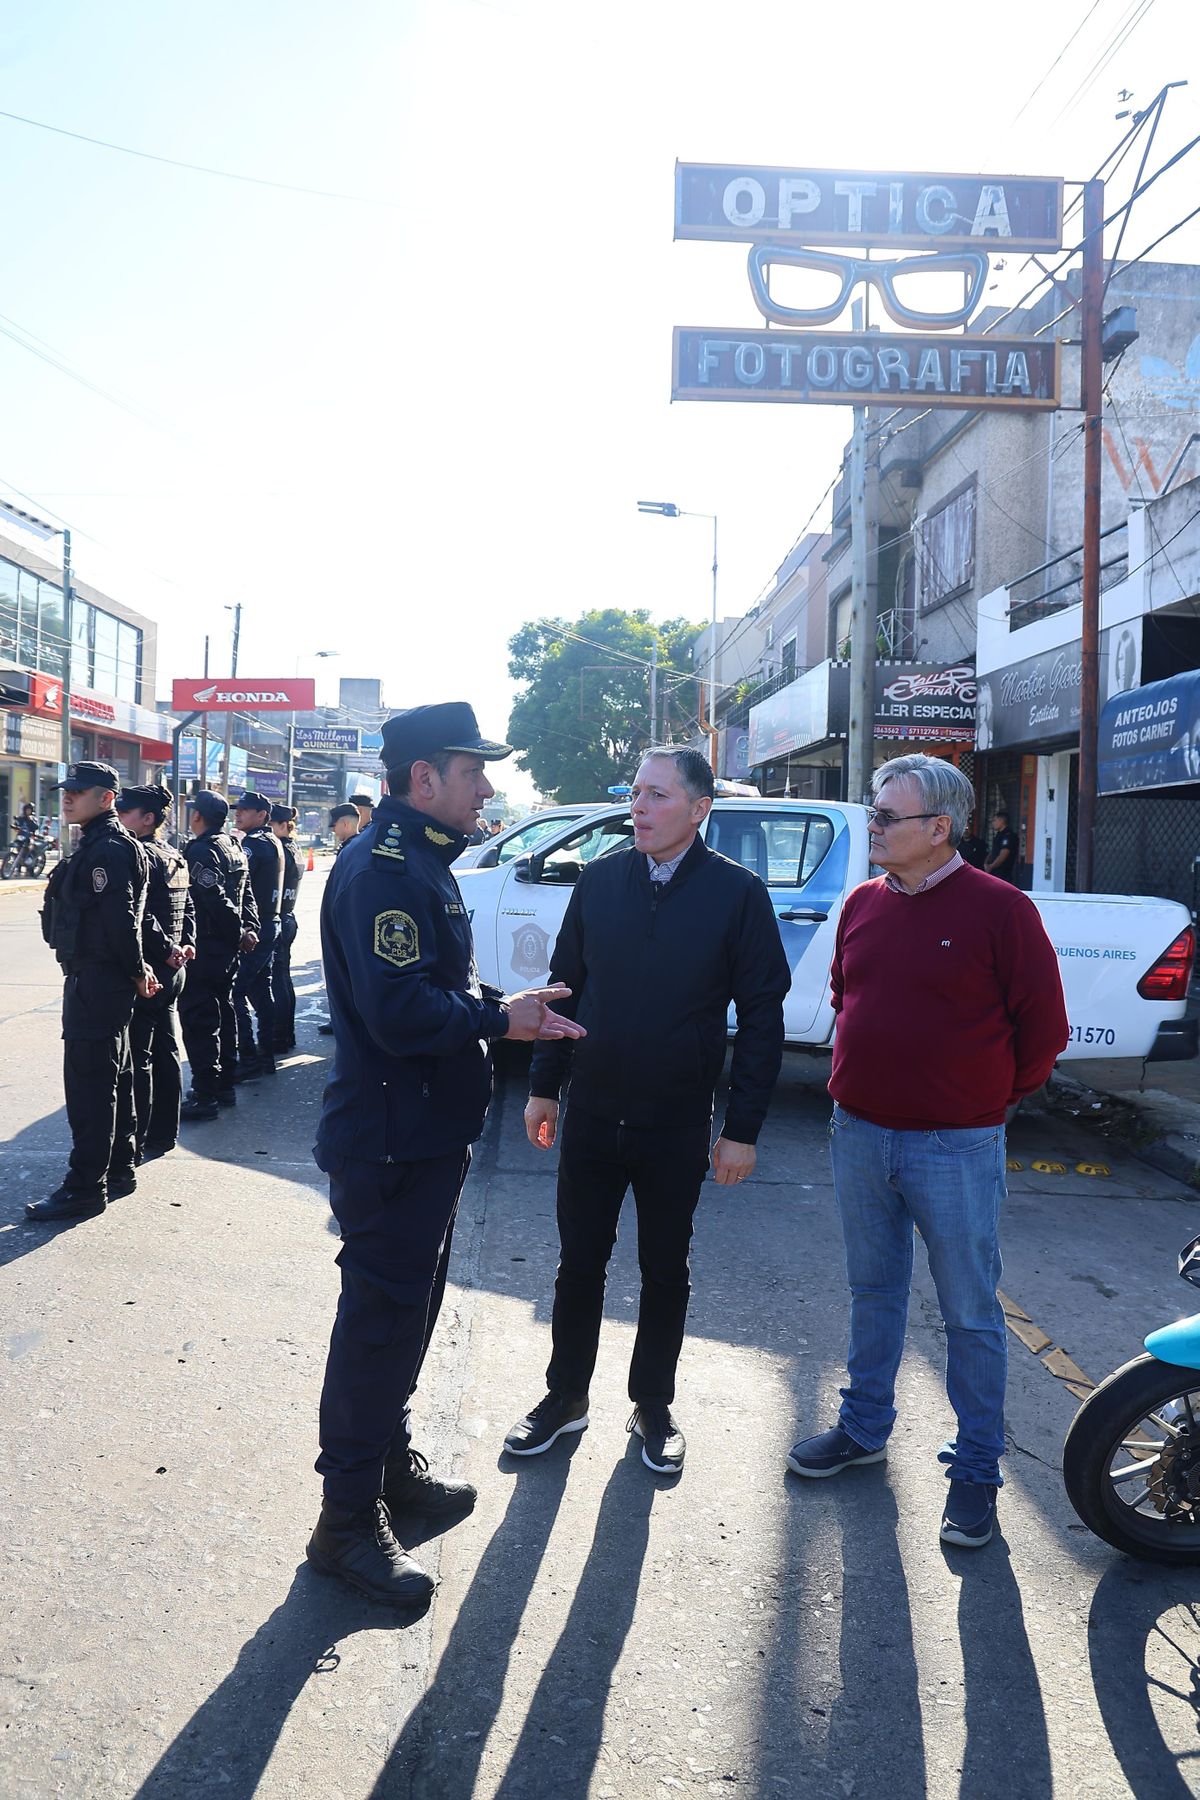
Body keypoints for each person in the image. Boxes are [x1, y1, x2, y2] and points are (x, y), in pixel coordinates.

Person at [307, 701, 584, 1607]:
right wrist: (495, 1021)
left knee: (407, 1317)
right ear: (424, 779)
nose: (488, 789)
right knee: (378, 1326)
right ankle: (344, 1524)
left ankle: (388, 1470)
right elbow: (399, 1013)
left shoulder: (421, 861)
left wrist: (508, 1004)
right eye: (474, 773)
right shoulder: (386, 870)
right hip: (392, 1142)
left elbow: (435, 983)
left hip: (422, 1135)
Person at [787, 754, 1069, 1550]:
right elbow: (850, 994)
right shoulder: (862, 904)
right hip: (860, 1134)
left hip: (956, 1145)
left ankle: (976, 1469)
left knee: (971, 1314)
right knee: (873, 1291)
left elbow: (1043, 1030)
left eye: (884, 817)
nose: (870, 826)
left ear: (938, 829)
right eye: (874, 813)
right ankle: (863, 1428)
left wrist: (981, 1102)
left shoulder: (1001, 910)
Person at [506, 747, 791, 1477]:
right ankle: (564, 1397)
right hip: (594, 1113)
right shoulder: (600, 881)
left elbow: (761, 1019)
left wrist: (740, 1130)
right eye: (636, 793)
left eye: (657, 795)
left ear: (699, 810)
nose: (639, 806)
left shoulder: (737, 894)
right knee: (580, 1264)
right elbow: (562, 989)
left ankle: (653, 1407)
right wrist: (544, 1086)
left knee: (665, 1270)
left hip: (675, 1122)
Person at [28, 761, 157, 1222]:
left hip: (99, 980)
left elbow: (123, 920)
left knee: (89, 1088)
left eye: (78, 792)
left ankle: (85, 1187)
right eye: (66, 790)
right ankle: (118, 1170)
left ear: (106, 798)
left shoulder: (108, 849)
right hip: (103, 980)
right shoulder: (105, 844)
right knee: (114, 1079)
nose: (67, 797)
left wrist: (137, 969)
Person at [116, 783, 196, 1161]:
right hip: (175, 966)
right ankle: (165, 1132)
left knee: (140, 1056)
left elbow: (141, 915)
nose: (118, 815)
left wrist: (167, 951)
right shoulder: (173, 854)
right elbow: (189, 908)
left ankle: (141, 1135)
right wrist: (184, 946)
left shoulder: (142, 855)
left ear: (147, 819)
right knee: (165, 1049)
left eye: (125, 810)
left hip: (154, 968)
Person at [179, 791, 258, 1123]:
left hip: (209, 947)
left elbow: (216, 898)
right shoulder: (234, 846)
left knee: (201, 1022)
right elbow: (248, 895)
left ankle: (205, 1093)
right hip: (226, 950)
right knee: (224, 1015)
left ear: (197, 816)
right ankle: (223, 1086)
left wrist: (240, 931)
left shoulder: (201, 850)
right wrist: (249, 927)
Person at [232, 792, 285, 1079]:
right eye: (238, 809)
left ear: (263, 814)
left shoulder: (253, 845)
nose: (238, 814)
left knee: (236, 992)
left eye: (246, 810)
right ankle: (265, 1056)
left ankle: (250, 1057)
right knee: (260, 992)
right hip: (270, 923)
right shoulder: (272, 840)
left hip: (257, 927)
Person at [270, 804, 304, 1053]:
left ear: (283, 826)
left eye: (272, 824)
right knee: (283, 978)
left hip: (280, 917)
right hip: (288, 916)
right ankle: (286, 1034)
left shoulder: (281, 848)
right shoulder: (294, 848)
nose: (268, 830)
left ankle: (281, 1036)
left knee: (278, 981)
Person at [985, 808, 1021, 884]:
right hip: (994, 873)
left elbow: (1003, 855)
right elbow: (993, 851)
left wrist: (991, 866)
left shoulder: (1008, 836)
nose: (993, 823)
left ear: (1001, 821)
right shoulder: (998, 835)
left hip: (1003, 874)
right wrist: (986, 863)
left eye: (995, 820)